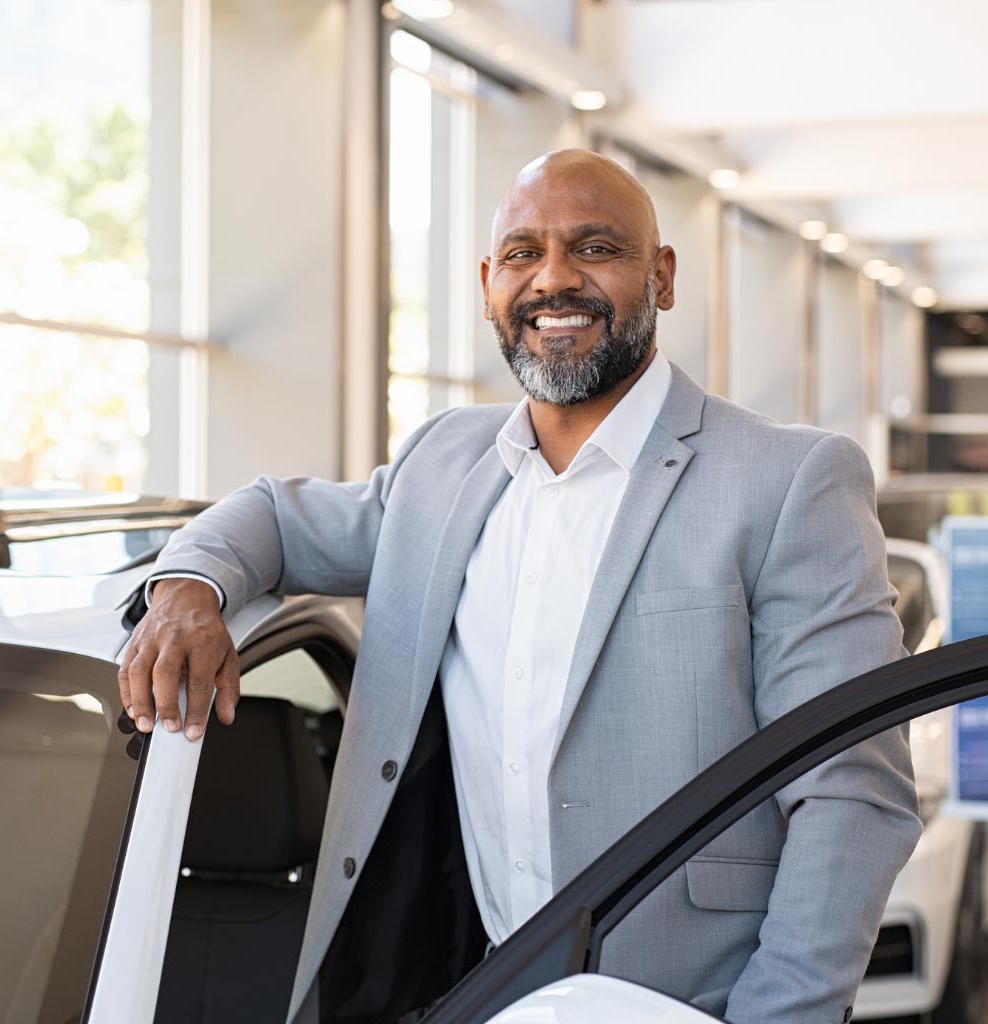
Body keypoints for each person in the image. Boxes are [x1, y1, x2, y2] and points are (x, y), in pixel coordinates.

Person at [119, 150, 921, 1024]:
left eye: (595, 248)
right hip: (472, 985)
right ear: (487, 282)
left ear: (662, 276)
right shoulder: (443, 466)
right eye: (521, 254)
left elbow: (853, 794)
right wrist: (188, 588)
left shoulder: (788, 480)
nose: (554, 280)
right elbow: (272, 516)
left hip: (686, 1002)